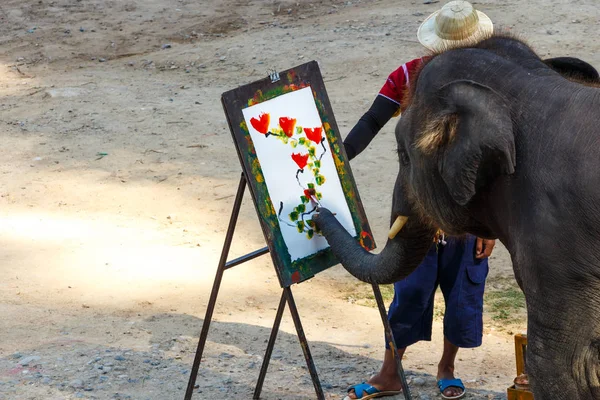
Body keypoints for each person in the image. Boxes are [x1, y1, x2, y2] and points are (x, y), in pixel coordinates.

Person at [342, 2, 496, 399]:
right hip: (415, 203)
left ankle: (447, 366)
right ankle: (390, 373)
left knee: (462, 292)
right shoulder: (408, 75)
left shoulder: (492, 79)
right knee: (409, 289)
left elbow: (499, 156)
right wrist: (334, 161)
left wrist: (490, 226)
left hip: (467, 206)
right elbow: (371, 122)